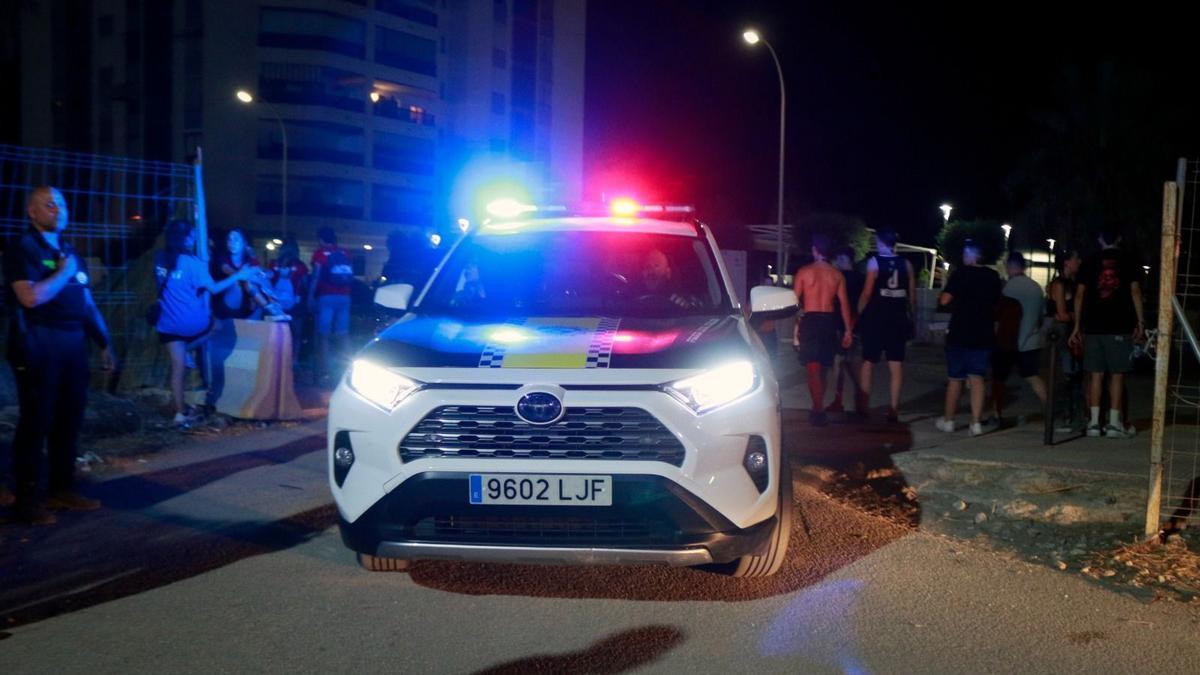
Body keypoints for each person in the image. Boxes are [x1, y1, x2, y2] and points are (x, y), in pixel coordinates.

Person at [3, 186, 114, 525]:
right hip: (38, 342)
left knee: (69, 419)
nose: (58, 210)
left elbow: (87, 302)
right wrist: (63, 272)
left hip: (73, 343)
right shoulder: (23, 248)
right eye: (49, 205)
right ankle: (27, 501)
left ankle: (62, 489)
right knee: (37, 422)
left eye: (62, 204)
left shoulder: (68, 250)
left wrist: (105, 342)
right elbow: (30, 298)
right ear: (32, 212)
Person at [154, 220, 256, 427]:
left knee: (178, 367)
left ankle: (180, 413)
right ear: (186, 238)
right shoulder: (194, 263)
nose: (194, 239)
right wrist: (240, 275)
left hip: (167, 323)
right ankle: (190, 352)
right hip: (191, 322)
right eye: (192, 236)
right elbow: (215, 289)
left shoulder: (160, 259)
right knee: (215, 324)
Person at [1069, 226, 1144, 438]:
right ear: (1118, 238)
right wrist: (1140, 321)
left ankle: (1093, 423)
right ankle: (1113, 423)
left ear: (1099, 239)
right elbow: (1135, 290)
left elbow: (1079, 295)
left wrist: (1077, 325)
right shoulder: (1128, 260)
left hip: (1093, 326)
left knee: (1095, 375)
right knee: (1117, 375)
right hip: (1119, 325)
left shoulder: (1089, 262)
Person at [936, 239, 1002, 436]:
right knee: (977, 379)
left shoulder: (960, 273)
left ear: (973, 255)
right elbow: (996, 304)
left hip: (959, 332)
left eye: (966, 254)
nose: (963, 257)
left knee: (955, 379)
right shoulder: (993, 276)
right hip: (983, 333)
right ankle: (976, 423)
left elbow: (945, 299)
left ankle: (949, 421)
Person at [792, 234, 854, 426]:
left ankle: (818, 408)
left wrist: (796, 330)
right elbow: (844, 305)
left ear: (814, 250)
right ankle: (817, 407)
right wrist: (848, 331)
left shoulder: (804, 272)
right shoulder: (837, 275)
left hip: (811, 319)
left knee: (813, 367)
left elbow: (794, 304)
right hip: (829, 320)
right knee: (823, 368)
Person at [856, 229, 915, 423]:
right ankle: (893, 408)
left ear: (881, 242)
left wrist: (859, 312)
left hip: (877, 317)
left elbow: (866, 292)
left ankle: (864, 406)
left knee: (868, 361)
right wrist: (911, 316)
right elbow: (912, 295)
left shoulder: (874, 263)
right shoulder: (906, 264)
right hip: (897, 318)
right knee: (896, 364)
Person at [991, 251, 1047, 423]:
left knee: (998, 379)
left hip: (1008, 341)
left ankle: (996, 414)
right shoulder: (1036, 287)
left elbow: (1000, 315)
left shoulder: (1009, 288)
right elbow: (1042, 314)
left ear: (1011, 266)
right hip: (1031, 340)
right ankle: (1048, 408)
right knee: (1033, 376)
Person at [309, 226, 354, 383]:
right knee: (343, 334)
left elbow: (316, 276)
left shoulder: (320, 253)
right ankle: (348, 371)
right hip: (344, 297)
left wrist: (310, 295)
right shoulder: (344, 252)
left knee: (324, 336)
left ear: (321, 239)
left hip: (326, 296)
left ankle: (324, 373)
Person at [212, 229, 285, 321]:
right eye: (229, 239)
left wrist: (266, 273)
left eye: (236, 239)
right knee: (244, 281)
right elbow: (232, 272)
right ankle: (270, 309)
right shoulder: (223, 258)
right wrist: (256, 277)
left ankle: (273, 307)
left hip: (246, 304)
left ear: (244, 243)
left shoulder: (249, 260)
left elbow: (263, 271)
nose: (232, 242)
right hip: (228, 303)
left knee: (260, 279)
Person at [1048, 248, 1083, 429]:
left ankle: (1071, 413)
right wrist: (1077, 316)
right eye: (1076, 258)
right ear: (1066, 262)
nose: (1079, 262)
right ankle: (1065, 414)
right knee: (1067, 374)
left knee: (1074, 374)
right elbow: (1061, 314)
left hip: (1070, 331)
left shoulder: (1072, 283)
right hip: (1063, 333)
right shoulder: (1060, 284)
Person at [829, 246, 864, 412]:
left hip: (840, 324)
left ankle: (838, 399)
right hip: (857, 325)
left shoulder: (839, 278)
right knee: (855, 362)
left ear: (845, 259)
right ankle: (861, 399)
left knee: (839, 362)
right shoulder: (861, 278)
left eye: (840, 259)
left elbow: (836, 303)